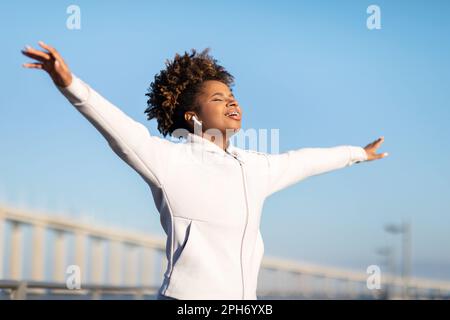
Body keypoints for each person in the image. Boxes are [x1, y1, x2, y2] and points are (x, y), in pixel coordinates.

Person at [21, 41, 388, 300]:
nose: (232, 102)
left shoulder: (255, 167)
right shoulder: (168, 160)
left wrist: (357, 153)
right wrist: (69, 84)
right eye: (218, 98)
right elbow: (117, 128)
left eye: (233, 97)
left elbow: (305, 160)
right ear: (193, 117)